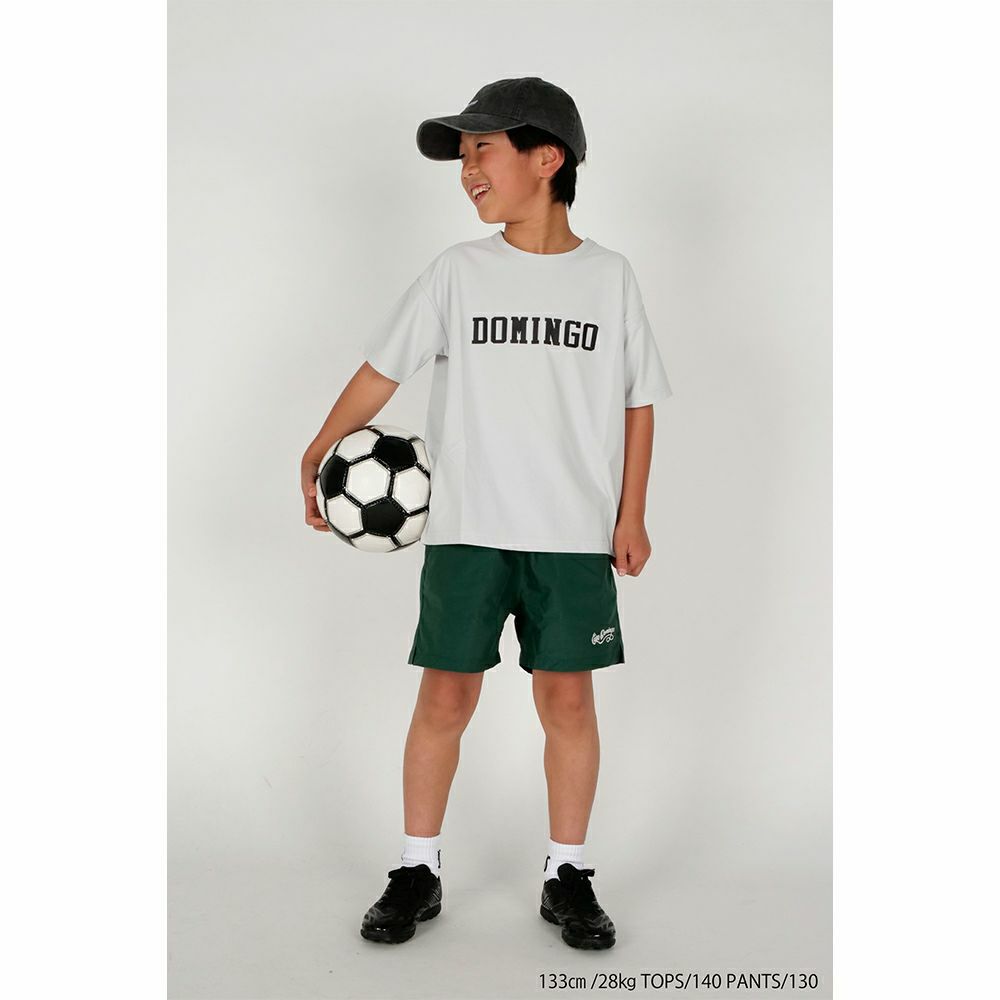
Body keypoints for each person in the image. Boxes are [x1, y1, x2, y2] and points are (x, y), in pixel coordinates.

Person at [300, 76, 673, 950]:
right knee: (444, 695)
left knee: (568, 702)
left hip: (571, 534)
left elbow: (638, 402)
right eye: (462, 156)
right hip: (468, 528)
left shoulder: (609, 278)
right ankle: (417, 867)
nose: (467, 170)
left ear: (547, 159)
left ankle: (567, 873)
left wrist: (632, 514)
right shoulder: (457, 274)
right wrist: (320, 445)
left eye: (482, 151)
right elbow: (383, 369)